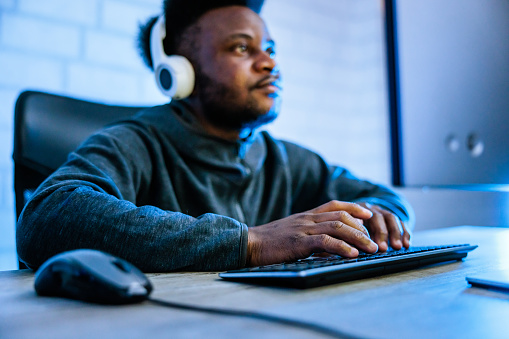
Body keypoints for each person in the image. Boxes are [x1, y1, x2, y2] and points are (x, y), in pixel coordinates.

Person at [16, 0, 414, 272]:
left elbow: (385, 197)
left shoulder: (289, 161)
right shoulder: (135, 141)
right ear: (180, 70)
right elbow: (46, 215)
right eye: (242, 48)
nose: (269, 62)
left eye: (270, 48)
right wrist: (251, 243)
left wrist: (377, 218)